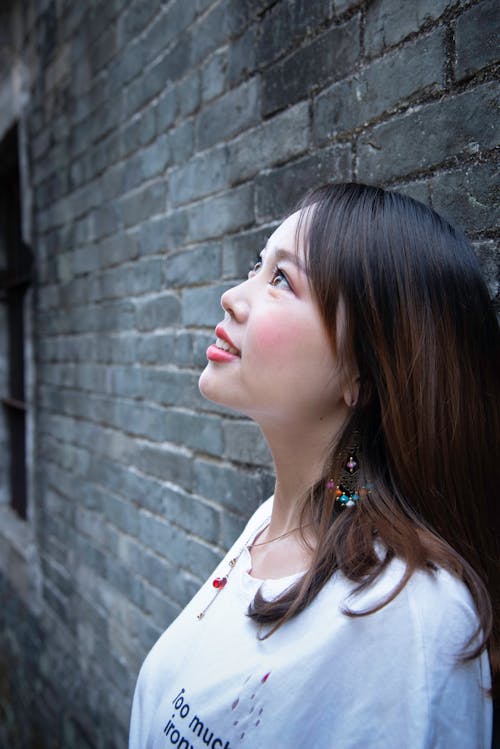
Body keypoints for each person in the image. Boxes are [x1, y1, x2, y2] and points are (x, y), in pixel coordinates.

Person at [129, 183, 499, 748]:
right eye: (258, 266)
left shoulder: (407, 615)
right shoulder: (270, 526)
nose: (232, 295)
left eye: (281, 280)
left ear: (362, 372)